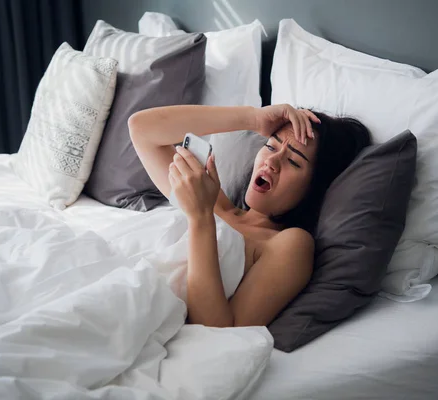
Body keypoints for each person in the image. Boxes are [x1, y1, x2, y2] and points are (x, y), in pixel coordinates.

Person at [129, 104, 370, 328]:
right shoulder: (214, 202)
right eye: (270, 146)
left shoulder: (288, 244)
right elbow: (141, 128)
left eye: (294, 162)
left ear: (314, 189)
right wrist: (253, 118)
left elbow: (217, 330)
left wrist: (200, 218)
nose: (272, 162)